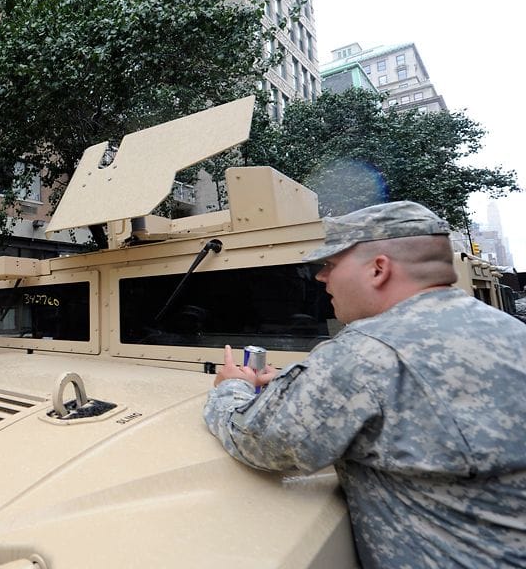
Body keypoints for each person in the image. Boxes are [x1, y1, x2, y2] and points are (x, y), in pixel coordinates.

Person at [203, 201, 526, 568]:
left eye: (330, 264)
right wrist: (299, 384)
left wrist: (232, 388)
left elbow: (257, 441)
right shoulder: (511, 332)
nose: (321, 278)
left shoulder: (364, 354)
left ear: (378, 269)